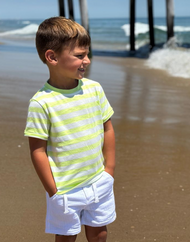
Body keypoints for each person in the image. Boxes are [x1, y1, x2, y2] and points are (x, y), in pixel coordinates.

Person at [24, 16, 116, 242]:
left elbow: (108, 129)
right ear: (52, 57)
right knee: (66, 236)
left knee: (99, 232)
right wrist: (53, 191)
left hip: (98, 179)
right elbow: (38, 150)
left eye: (87, 54)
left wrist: (109, 169)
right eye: (80, 55)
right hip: (65, 189)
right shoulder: (42, 103)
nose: (88, 60)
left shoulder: (94, 89)